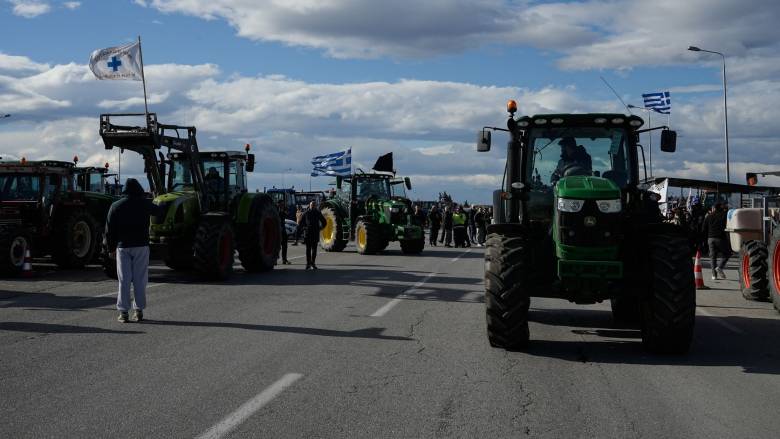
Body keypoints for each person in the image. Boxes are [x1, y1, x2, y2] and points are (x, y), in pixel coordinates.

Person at [105, 178, 162, 323]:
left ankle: (123, 312)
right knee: (140, 279)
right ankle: (139, 310)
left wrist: (110, 248)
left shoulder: (116, 206)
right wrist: (155, 199)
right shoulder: (145, 204)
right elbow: (159, 212)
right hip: (141, 246)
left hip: (122, 247)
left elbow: (109, 230)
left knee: (124, 280)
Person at [702, 203, 731, 280]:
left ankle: (714, 275)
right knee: (727, 253)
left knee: (713, 257)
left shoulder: (708, 216)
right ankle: (720, 267)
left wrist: (705, 239)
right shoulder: (724, 215)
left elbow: (703, 228)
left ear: (714, 208)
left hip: (710, 239)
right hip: (720, 238)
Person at [300, 201, 326, 269]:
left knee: (314, 249)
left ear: (316, 206)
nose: (313, 206)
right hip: (308, 233)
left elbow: (324, 222)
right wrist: (303, 229)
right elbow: (301, 223)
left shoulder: (318, 213)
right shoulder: (306, 213)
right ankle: (308, 263)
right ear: (309, 205)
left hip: (315, 233)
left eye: (314, 205)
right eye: (312, 205)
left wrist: (321, 228)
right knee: (308, 249)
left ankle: (313, 263)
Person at [278, 200, 291, 265]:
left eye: (283, 204)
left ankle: (284, 259)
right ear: (279, 204)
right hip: (277, 230)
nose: (282, 205)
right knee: (277, 245)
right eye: (281, 204)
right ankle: (274, 259)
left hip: (283, 229)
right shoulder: (275, 210)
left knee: (285, 245)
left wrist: (285, 210)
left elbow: (287, 214)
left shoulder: (283, 210)